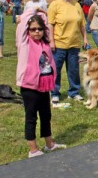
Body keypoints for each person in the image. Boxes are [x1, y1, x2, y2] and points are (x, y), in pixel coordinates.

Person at [16, 10, 66, 158]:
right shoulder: (24, 42)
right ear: (28, 30)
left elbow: (46, 24)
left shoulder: (45, 43)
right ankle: (33, 150)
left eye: (39, 29)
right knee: (31, 117)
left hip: (44, 85)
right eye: (33, 29)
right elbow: (24, 21)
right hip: (29, 86)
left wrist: (43, 14)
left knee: (46, 115)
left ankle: (49, 144)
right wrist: (35, 8)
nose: (36, 32)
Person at [48, 0, 88, 103]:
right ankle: (54, 93)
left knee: (74, 69)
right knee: (56, 69)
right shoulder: (55, 4)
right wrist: (51, 41)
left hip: (74, 44)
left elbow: (82, 24)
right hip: (59, 43)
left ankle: (74, 92)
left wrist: (85, 38)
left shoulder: (76, 5)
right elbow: (50, 24)